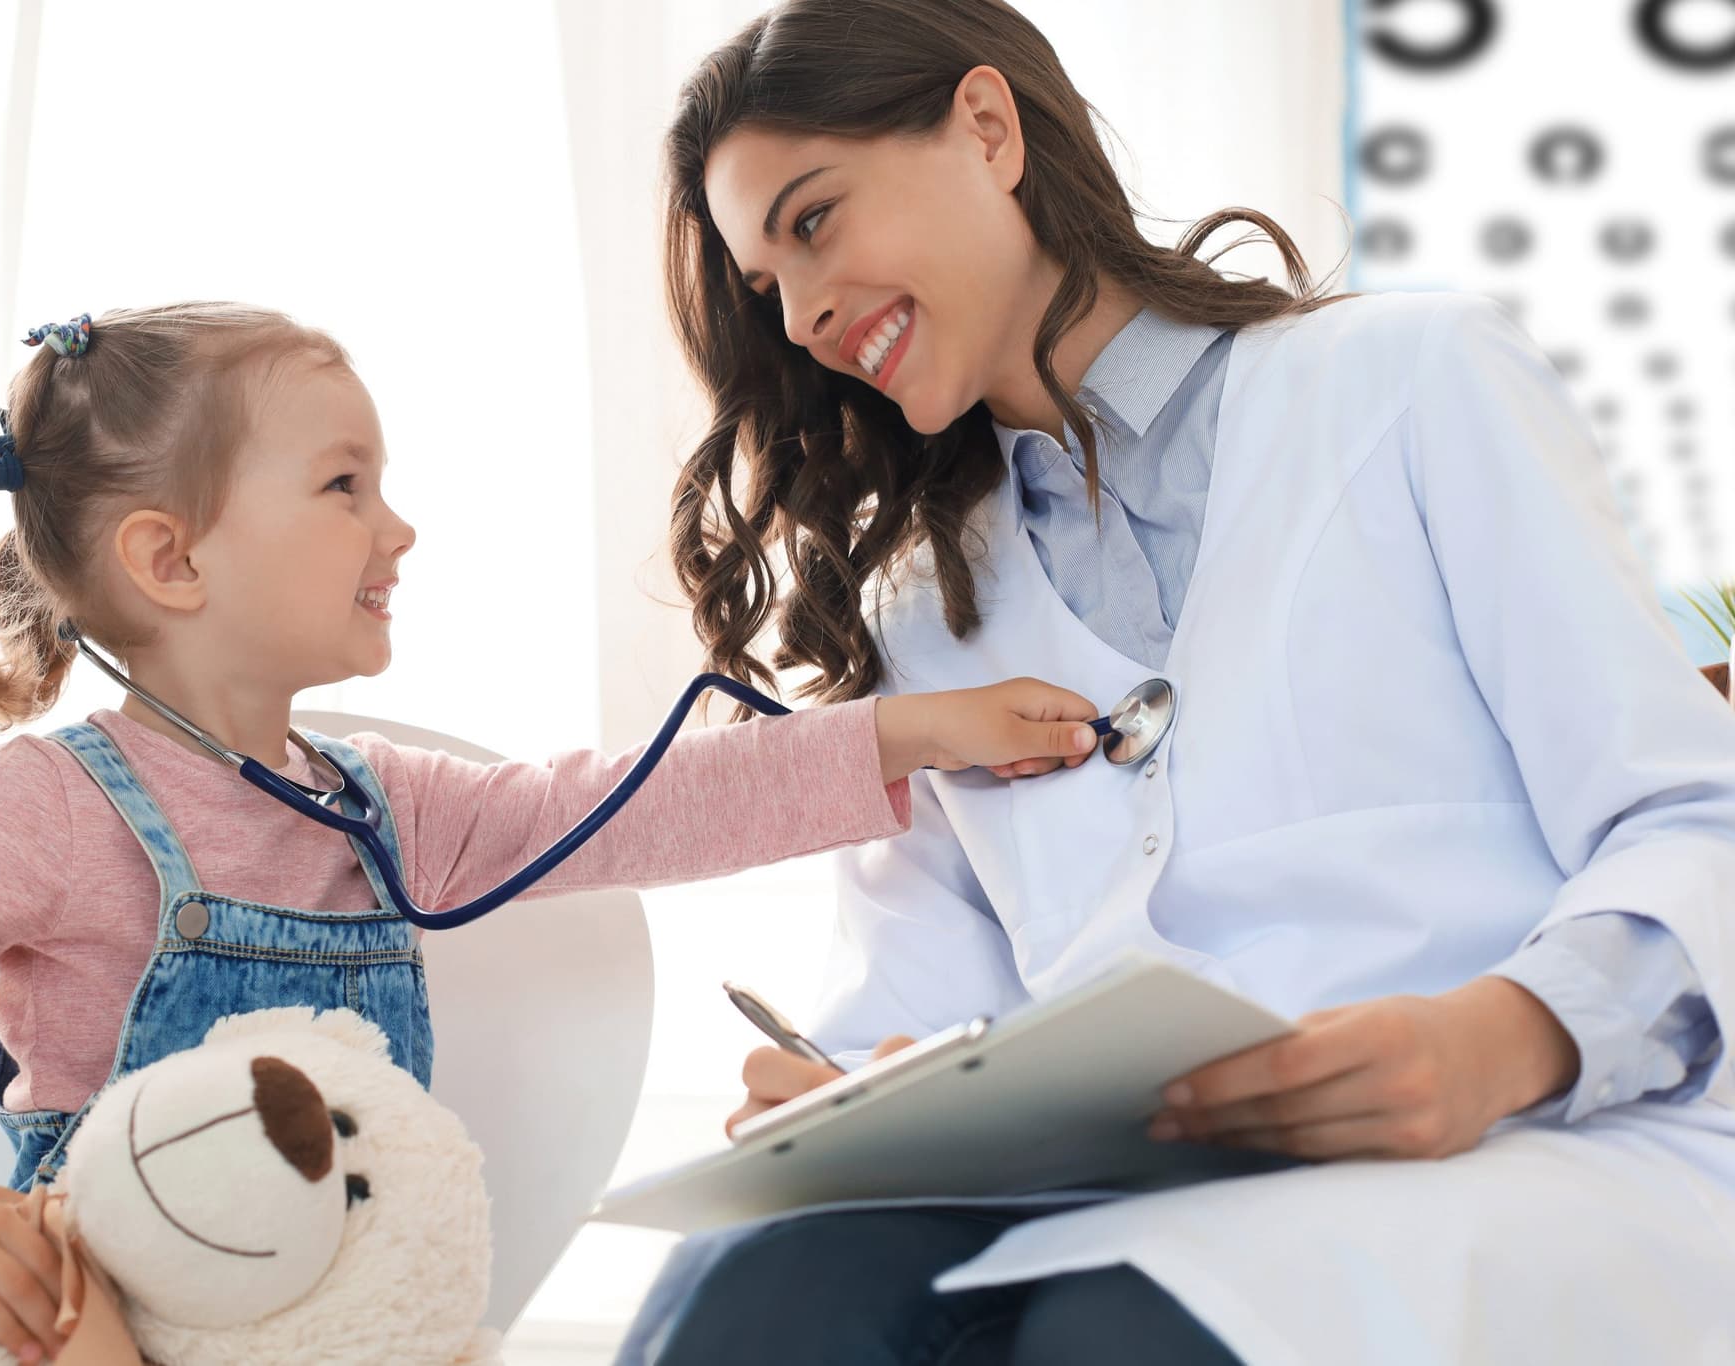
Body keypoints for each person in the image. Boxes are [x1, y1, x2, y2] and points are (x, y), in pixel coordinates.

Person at [620, 2, 1735, 1362]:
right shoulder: (923, 609)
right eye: (765, 287)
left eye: (812, 223)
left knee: (1115, 1335)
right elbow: (922, 1001)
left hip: (1527, 1150)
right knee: (754, 1299)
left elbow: (1695, 816)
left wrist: (1508, 1035)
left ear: (986, 129)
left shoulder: (1411, 383)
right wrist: (846, 1091)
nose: (800, 314)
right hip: (1140, 1184)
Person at [0, 301, 1103, 1365]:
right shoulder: (44, 809)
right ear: (170, 560)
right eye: (344, 485)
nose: (397, 527)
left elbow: (633, 806)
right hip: (116, 1301)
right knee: (58, 1310)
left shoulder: (383, 806)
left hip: (338, 1312)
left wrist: (906, 733)